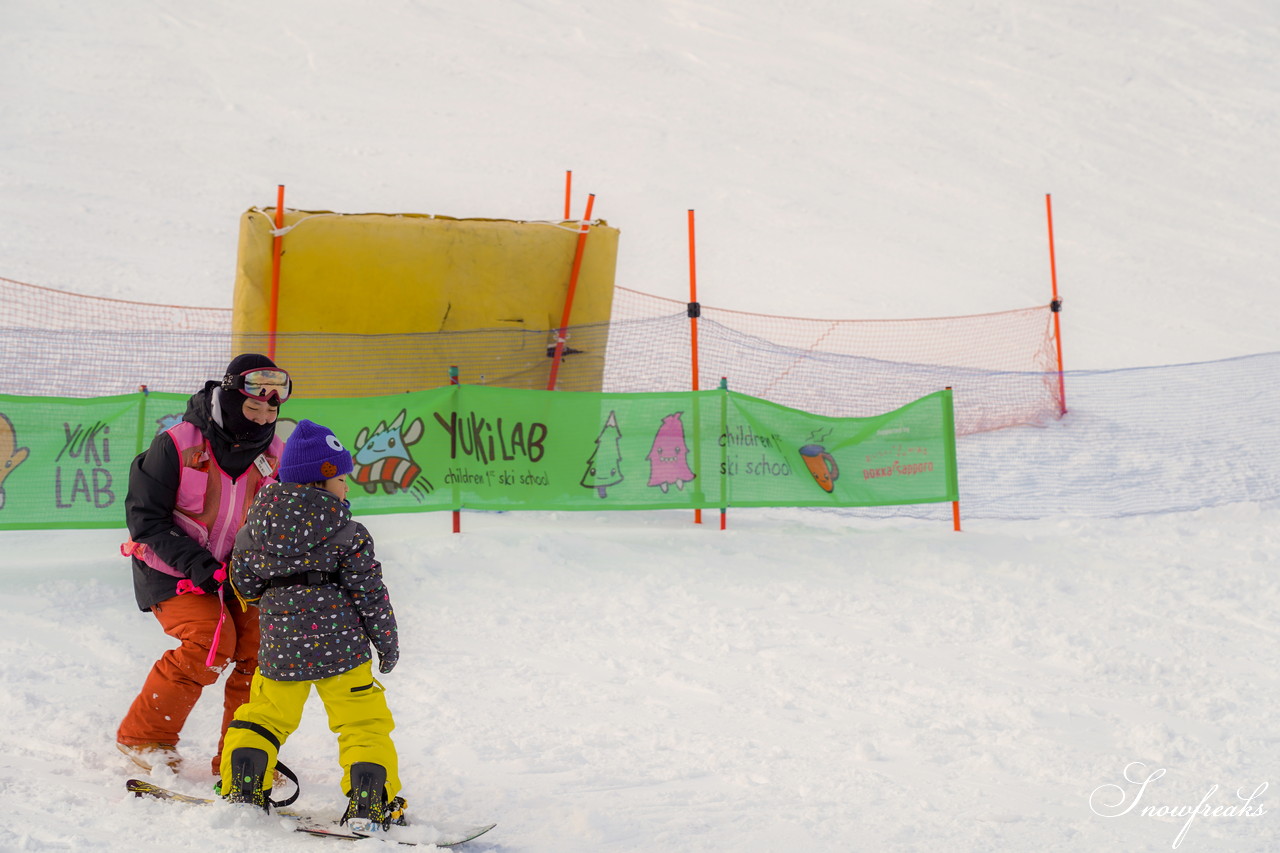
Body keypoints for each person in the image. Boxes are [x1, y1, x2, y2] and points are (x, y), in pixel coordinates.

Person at [218, 419, 403, 828]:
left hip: (281, 649)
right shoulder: (348, 531)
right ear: (321, 480)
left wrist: (277, 604)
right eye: (341, 478)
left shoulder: (255, 528)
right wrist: (386, 643)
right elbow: (371, 594)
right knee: (362, 723)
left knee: (264, 715)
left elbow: (244, 582)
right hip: (345, 652)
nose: (347, 487)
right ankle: (370, 799)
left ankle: (245, 786)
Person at [117, 354, 292, 776]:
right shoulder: (177, 444)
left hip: (239, 575)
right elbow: (146, 520)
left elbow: (281, 518)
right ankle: (145, 737)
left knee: (261, 649)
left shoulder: (274, 454)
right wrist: (200, 565)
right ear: (231, 400)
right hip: (172, 568)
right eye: (252, 408)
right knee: (209, 641)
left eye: (271, 410)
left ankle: (241, 755)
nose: (261, 419)